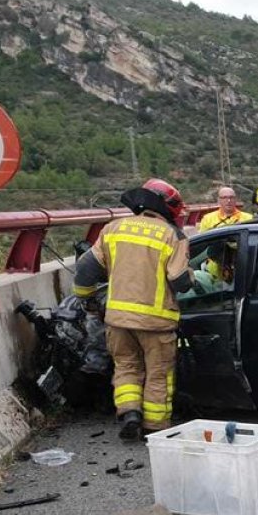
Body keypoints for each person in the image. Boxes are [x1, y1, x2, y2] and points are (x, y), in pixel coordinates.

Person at [73, 179, 193, 440]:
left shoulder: (112, 229)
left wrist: (86, 299)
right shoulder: (172, 235)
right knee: (158, 374)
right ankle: (154, 426)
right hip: (156, 321)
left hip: (117, 320)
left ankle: (129, 413)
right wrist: (192, 275)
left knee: (126, 366)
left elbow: (85, 269)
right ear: (168, 207)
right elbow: (180, 281)